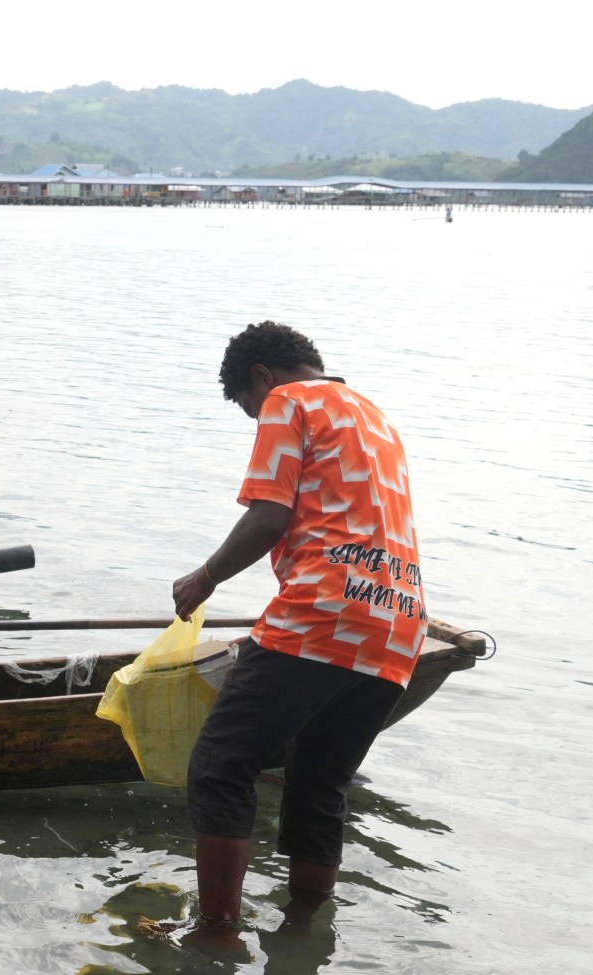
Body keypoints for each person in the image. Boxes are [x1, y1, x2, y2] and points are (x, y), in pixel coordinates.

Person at [170, 322, 425, 942]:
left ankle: (216, 931)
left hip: (326, 611)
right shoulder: (371, 413)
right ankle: (304, 927)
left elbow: (270, 514)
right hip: (398, 623)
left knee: (220, 764)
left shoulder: (288, 401)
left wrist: (205, 578)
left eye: (247, 407)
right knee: (318, 780)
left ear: (261, 376)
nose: (256, 417)